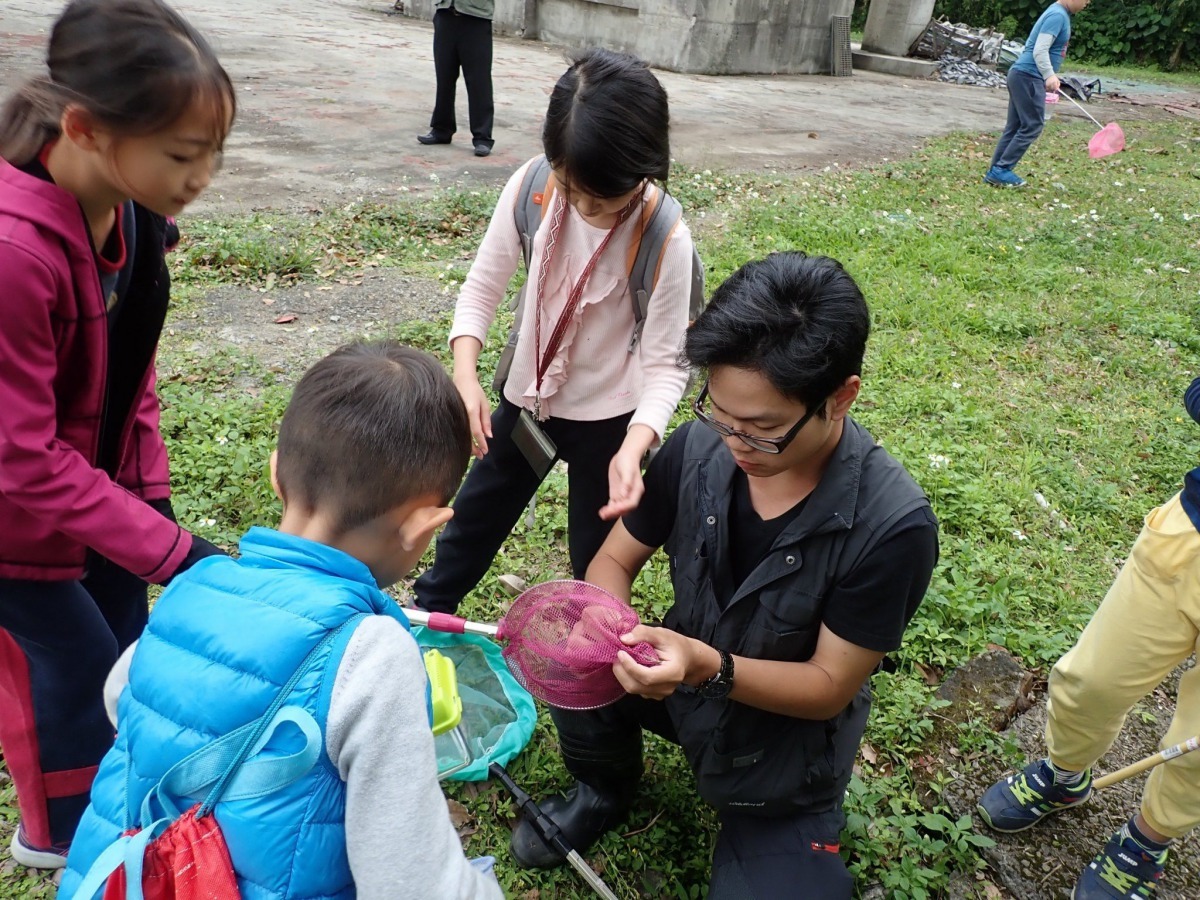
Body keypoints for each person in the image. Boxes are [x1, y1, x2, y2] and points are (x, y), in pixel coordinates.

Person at [509, 252, 940, 898]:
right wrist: (608, 621)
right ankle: (603, 788)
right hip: (681, 686)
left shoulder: (891, 526)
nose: (736, 444)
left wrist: (709, 666)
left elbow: (828, 685)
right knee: (570, 636)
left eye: (763, 431)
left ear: (840, 398)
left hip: (782, 753)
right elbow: (614, 559)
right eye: (722, 414)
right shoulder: (699, 448)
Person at [57, 341, 504, 899]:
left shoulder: (191, 585)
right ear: (423, 529)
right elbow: (411, 885)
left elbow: (119, 695)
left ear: (275, 474)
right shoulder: (374, 652)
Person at [0, 0, 233, 869]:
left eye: (214, 151)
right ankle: (60, 843)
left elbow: (128, 367)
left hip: (92, 492)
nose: (202, 174)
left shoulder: (132, 213)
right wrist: (171, 548)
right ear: (86, 128)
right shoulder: (17, 255)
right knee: (69, 673)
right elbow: (20, 457)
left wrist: (150, 497)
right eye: (182, 153)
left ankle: (114, 808)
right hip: (16, 521)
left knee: (131, 653)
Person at [413, 48, 694, 615]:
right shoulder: (533, 187)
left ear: (646, 169)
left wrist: (633, 448)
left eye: (606, 198)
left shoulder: (666, 238)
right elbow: (482, 289)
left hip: (609, 419)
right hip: (527, 400)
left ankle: (587, 662)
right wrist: (465, 375)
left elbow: (668, 366)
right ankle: (427, 616)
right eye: (572, 189)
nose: (586, 208)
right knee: (472, 524)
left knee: (594, 563)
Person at [976, 376, 1200, 899]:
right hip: (1189, 541)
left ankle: (1147, 842)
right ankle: (1065, 775)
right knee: (1088, 682)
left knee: (1194, 752)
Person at [984, 0, 1091, 188]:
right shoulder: (1057, 15)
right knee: (1033, 125)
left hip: (1021, 75)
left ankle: (996, 171)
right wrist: (1049, 75)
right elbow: (1040, 49)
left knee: (1016, 126)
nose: (1088, 3)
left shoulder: (1059, 13)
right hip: (1028, 76)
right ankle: (1001, 170)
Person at [417, 0, 496, 157]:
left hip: (476, 18)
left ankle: (482, 138)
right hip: (445, 13)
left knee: (478, 81)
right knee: (444, 75)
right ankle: (441, 129)